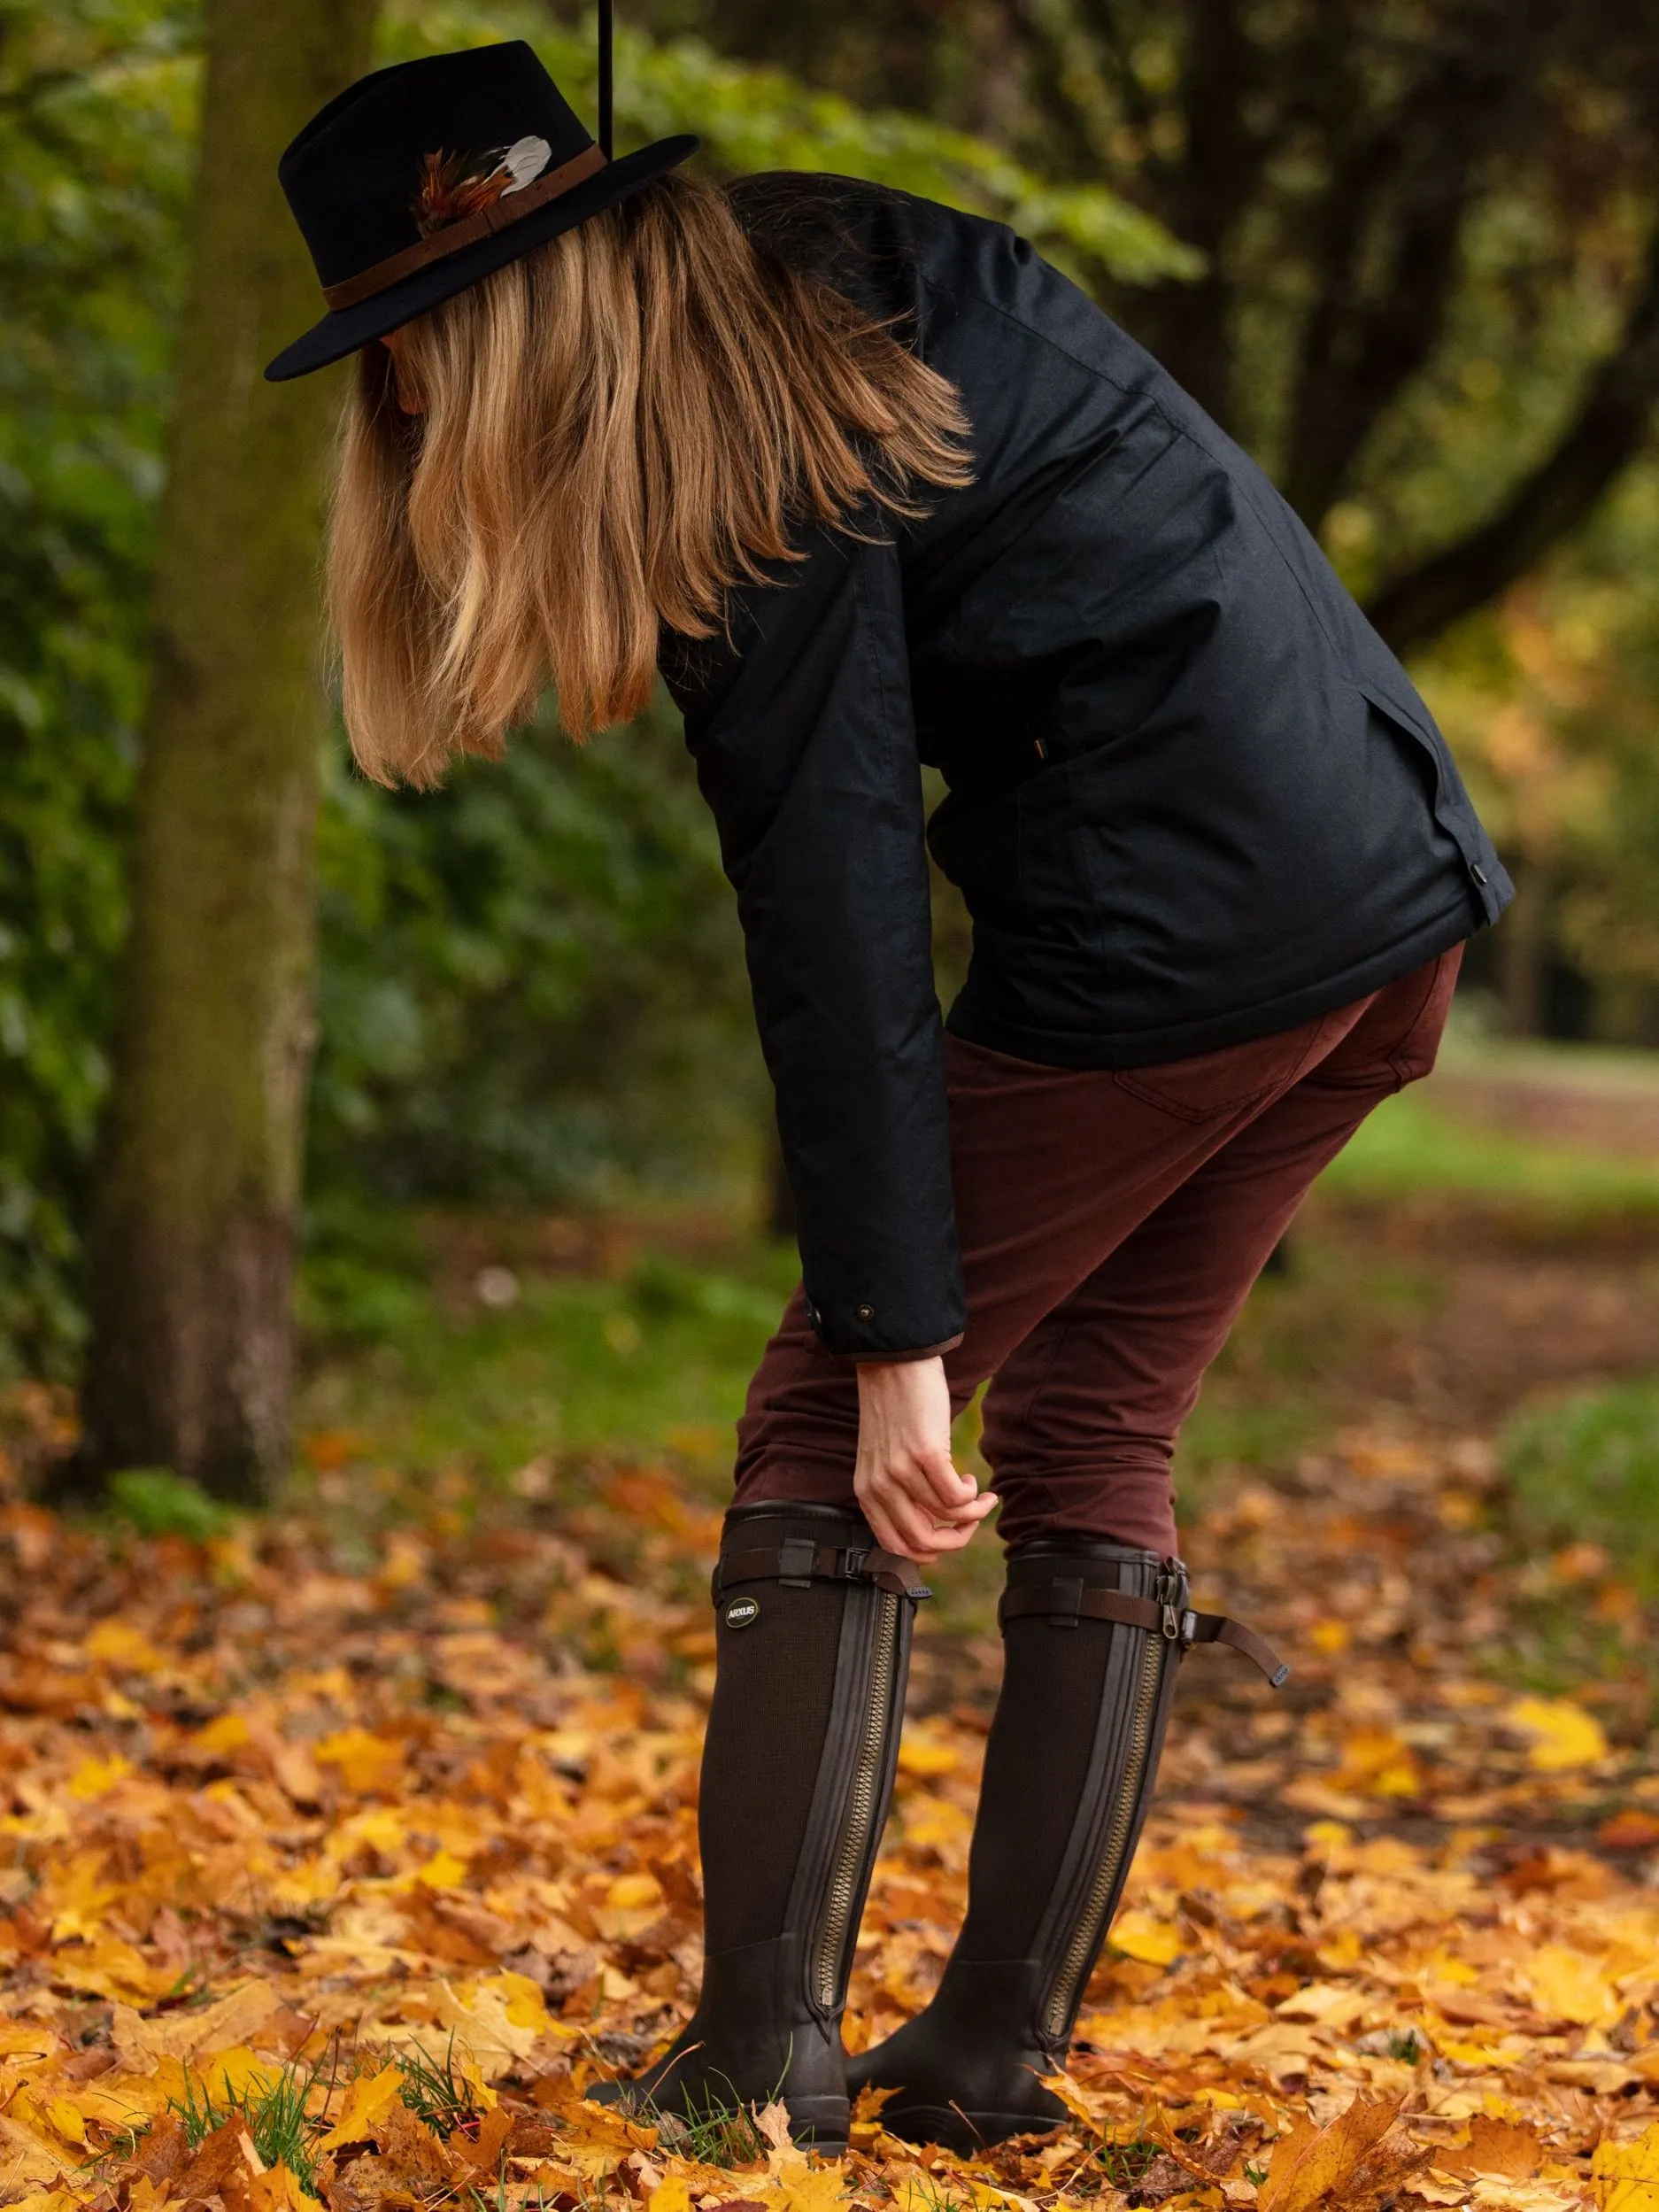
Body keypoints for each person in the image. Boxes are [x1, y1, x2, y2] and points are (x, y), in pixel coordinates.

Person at [268, 40, 1510, 2155]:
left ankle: (761, 2054)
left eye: (402, 356)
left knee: (821, 1424)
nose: (395, 413)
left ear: (492, 332)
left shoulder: (730, 455)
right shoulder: (831, 277)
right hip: (1384, 881)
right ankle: (989, 2054)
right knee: (1100, 1422)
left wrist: (893, 1334)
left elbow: (834, 908)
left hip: (1193, 915)